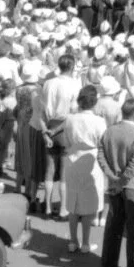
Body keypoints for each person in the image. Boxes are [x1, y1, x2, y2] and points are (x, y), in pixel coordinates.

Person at [97, 97, 134, 267]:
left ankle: (108, 261)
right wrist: (122, 180)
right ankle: (132, 266)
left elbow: (100, 155)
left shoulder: (109, 131)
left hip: (114, 183)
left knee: (114, 223)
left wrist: (112, 177)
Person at [61, 85, 107, 254]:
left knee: (73, 201)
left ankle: (73, 241)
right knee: (88, 204)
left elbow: (66, 141)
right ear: (94, 103)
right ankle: (86, 243)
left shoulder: (70, 119)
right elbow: (103, 142)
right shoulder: (99, 121)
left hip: (73, 158)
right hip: (91, 160)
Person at [40, 54, 81, 217]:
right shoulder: (74, 84)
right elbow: (73, 113)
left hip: (49, 124)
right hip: (64, 127)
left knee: (49, 169)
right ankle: (63, 208)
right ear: (72, 67)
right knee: (64, 171)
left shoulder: (48, 83)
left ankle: (48, 206)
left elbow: (42, 112)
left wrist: (45, 132)